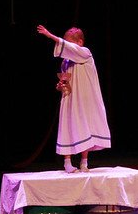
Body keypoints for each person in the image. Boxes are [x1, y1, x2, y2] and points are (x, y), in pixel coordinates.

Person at [37, 24, 111, 173]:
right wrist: (61, 86)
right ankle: (67, 162)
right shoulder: (66, 62)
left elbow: (70, 48)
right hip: (70, 98)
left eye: (69, 43)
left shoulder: (86, 53)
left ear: (80, 43)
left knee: (86, 126)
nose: (68, 48)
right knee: (68, 125)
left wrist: (50, 35)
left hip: (85, 98)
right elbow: (66, 83)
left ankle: (84, 162)